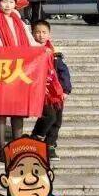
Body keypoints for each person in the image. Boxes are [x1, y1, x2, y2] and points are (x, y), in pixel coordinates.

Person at [0, 0, 37, 159]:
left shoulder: (20, 21)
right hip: (2, 68)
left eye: (11, 2)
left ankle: (17, 146)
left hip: (20, 69)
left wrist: (43, 49)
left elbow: (30, 41)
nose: (8, 5)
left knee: (18, 109)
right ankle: (1, 147)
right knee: (1, 110)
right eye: (4, 1)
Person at [31, 20, 68, 161]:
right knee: (49, 116)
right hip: (41, 91)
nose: (40, 35)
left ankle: (50, 145)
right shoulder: (30, 50)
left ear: (49, 34)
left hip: (56, 91)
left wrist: (66, 90)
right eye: (37, 32)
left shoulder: (54, 52)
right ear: (32, 34)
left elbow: (64, 72)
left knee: (57, 120)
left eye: (44, 32)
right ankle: (36, 137)